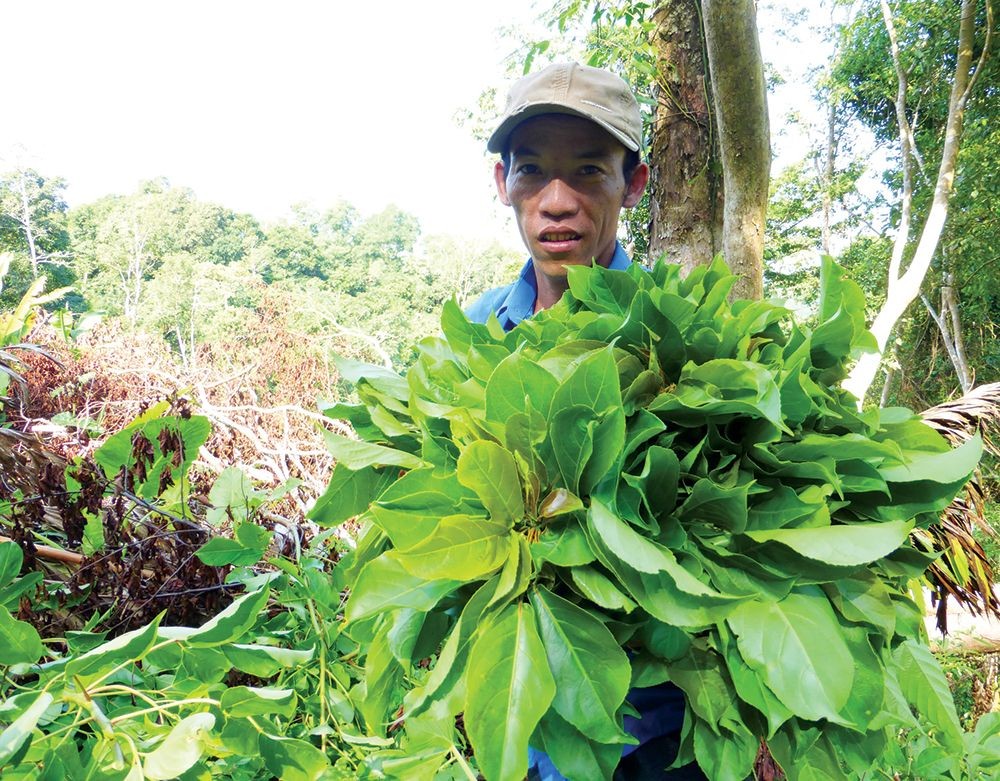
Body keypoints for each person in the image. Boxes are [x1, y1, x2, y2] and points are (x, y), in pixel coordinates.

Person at [466, 62, 707, 781]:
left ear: (632, 183)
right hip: (522, 723)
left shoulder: (683, 338)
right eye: (533, 170)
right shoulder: (474, 336)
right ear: (501, 181)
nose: (557, 201)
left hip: (657, 738)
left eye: (589, 171)